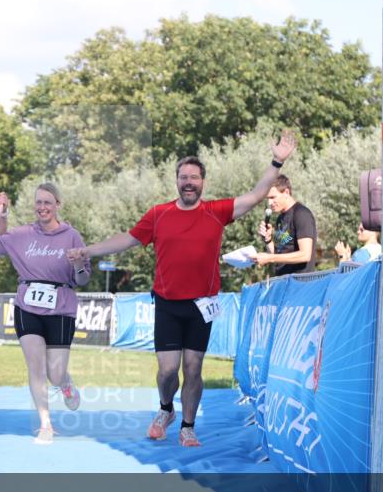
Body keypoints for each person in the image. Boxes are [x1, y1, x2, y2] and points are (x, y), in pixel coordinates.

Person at [68, 131, 297, 447]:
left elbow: (257, 194)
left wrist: (277, 160)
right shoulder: (158, 214)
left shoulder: (216, 212)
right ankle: (166, 410)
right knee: (167, 371)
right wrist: (89, 251)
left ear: (203, 182)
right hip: (167, 304)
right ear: (176, 181)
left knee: (193, 368)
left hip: (201, 305)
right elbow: (127, 239)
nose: (189, 182)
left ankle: (188, 426)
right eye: (183, 177)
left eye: (194, 177)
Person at [0, 184, 91, 445]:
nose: (43, 207)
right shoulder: (22, 234)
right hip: (27, 307)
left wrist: (77, 265)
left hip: (61, 308)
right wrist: (1, 212)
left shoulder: (72, 235)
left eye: (48, 202)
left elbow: (83, 279)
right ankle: (46, 424)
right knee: (36, 366)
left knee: (55, 372)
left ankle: (64, 383)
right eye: (38, 202)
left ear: (57, 205)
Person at [252, 175, 316, 275]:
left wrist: (270, 258)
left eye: (273, 197)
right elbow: (278, 254)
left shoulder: (301, 214)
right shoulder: (280, 219)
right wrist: (268, 240)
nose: (270, 202)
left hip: (300, 284)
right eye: (268, 198)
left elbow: (305, 255)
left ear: (286, 192)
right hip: (283, 282)